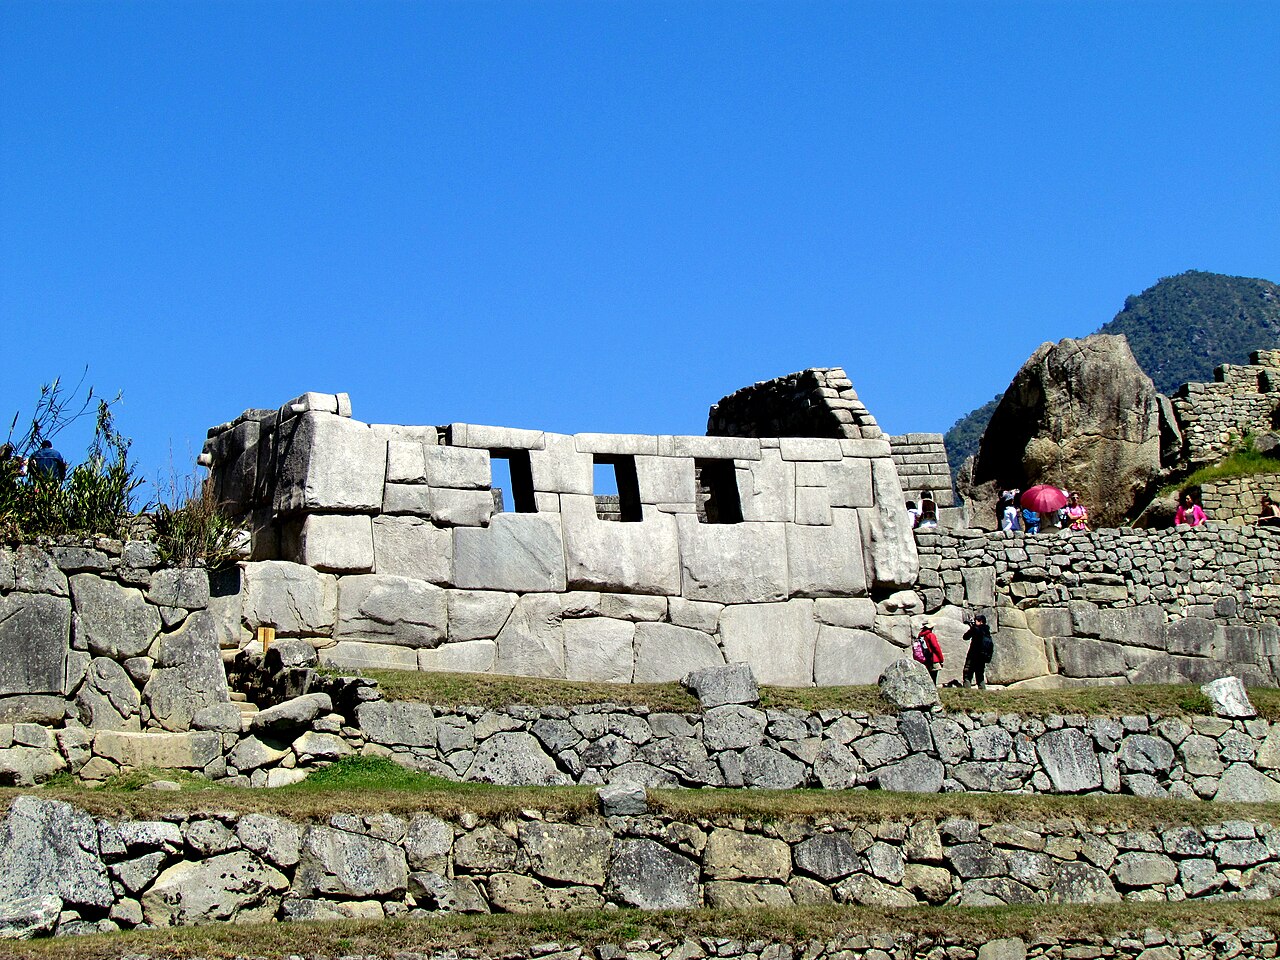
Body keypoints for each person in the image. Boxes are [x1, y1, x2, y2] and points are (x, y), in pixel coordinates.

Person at [962, 614, 994, 690]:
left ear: (980, 622)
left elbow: (965, 637)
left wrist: (972, 628)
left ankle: (967, 691)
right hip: (982, 656)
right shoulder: (987, 631)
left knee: (967, 673)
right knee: (980, 675)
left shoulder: (975, 629)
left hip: (973, 655)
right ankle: (982, 691)